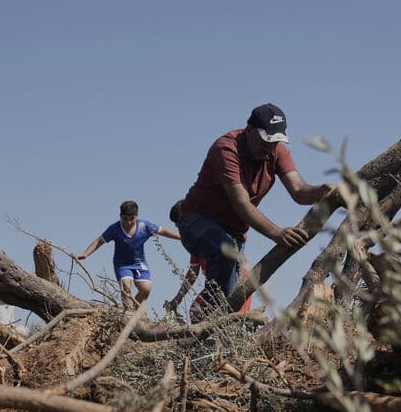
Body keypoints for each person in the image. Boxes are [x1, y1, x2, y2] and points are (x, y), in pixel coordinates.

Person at [175, 103, 333, 317]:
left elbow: (298, 191)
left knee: (229, 295)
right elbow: (241, 204)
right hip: (196, 222)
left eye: (275, 141)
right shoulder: (227, 148)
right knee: (225, 253)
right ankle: (203, 326)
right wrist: (277, 233)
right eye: (266, 141)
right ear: (249, 130)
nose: (269, 148)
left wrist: (322, 191)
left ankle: (204, 325)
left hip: (234, 234)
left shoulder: (277, 150)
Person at [78, 200, 180, 310]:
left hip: (139, 263)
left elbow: (163, 231)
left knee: (146, 288)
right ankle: (127, 313)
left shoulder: (145, 226)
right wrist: (86, 254)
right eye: (125, 219)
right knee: (127, 287)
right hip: (122, 264)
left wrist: (182, 237)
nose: (128, 222)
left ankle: (133, 310)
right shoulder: (114, 229)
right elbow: (99, 241)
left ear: (136, 216)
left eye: (132, 219)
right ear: (120, 216)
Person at [164, 201, 253, 320]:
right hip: (216, 286)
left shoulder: (216, 232)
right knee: (196, 313)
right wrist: (177, 300)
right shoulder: (197, 242)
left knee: (233, 319)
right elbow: (192, 273)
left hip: (238, 282)